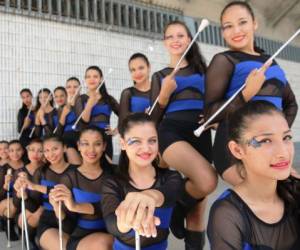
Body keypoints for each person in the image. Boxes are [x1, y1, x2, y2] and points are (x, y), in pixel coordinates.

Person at [204, 1, 298, 185]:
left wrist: (277, 135)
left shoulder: (271, 61)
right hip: (236, 147)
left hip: (271, 149)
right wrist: (246, 94)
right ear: (222, 32)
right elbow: (210, 115)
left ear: (254, 24)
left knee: (290, 198)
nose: (236, 31)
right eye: (228, 26)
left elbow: (291, 104)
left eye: (242, 22)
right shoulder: (224, 60)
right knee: (268, 201)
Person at [150, 20, 217, 249]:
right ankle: (178, 203)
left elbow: (216, 107)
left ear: (189, 39)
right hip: (171, 131)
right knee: (207, 180)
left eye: (181, 35)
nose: (176, 40)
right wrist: (164, 96)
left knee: (198, 212)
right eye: (170, 36)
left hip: (201, 135)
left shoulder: (205, 72)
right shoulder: (160, 76)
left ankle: (180, 205)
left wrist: (215, 120)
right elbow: (151, 121)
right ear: (165, 42)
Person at [207, 100, 300, 249]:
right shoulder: (227, 214)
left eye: (286, 138)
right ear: (238, 150)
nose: (283, 153)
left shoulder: (295, 191)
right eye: (266, 141)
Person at [101, 113, 183, 250]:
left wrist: (150, 196)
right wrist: (126, 221)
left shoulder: (171, 177)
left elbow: (169, 193)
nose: (146, 148)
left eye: (152, 140)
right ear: (123, 143)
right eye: (136, 141)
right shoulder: (112, 182)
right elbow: (111, 224)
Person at [50, 126, 113, 250]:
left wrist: (76, 206)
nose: (91, 149)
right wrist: (57, 208)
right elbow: (67, 227)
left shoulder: (114, 174)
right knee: (104, 244)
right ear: (78, 146)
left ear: (104, 146)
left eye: (97, 144)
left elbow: (110, 207)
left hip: (114, 232)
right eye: (85, 144)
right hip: (82, 238)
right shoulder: (69, 178)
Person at [18, 136, 75, 249]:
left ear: (64, 148)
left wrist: (36, 187)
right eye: (46, 151)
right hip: (49, 219)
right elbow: (34, 206)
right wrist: (24, 196)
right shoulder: (41, 172)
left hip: (72, 219)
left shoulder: (76, 170)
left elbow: (67, 194)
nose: (51, 154)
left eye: (55, 149)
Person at [75, 66, 119, 160]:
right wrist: (89, 105)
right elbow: (82, 123)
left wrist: (115, 131)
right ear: (85, 80)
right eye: (88, 77)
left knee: (107, 170)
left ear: (101, 79)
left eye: (95, 76)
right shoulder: (81, 99)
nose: (91, 79)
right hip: (88, 140)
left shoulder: (109, 99)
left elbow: (125, 116)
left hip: (105, 139)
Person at [13, 138, 44, 248]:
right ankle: (29, 241)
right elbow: (16, 203)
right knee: (25, 219)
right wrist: (19, 192)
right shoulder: (20, 172)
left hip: (44, 207)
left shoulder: (46, 170)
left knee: (36, 215)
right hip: (27, 207)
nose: (35, 154)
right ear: (27, 150)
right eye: (32, 150)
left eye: (40, 150)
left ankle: (30, 240)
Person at [118, 53, 151, 130]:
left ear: (149, 67)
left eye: (141, 68)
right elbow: (122, 125)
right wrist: (141, 116)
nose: (137, 73)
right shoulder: (127, 93)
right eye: (133, 70)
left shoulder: (159, 90)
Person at [0, 140, 25, 240]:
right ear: (8, 153)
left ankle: (18, 225)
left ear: (23, 151)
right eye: (11, 151)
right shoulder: (4, 168)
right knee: (12, 203)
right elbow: (1, 194)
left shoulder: (27, 164)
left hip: (25, 197)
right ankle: (9, 227)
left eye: (18, 150)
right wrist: (6, 184)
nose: (15, 153)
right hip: (8, 199)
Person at [55, 78, 82, 165]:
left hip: (83, 139)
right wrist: (63, 114)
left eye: (75, 87)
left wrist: (115, 130)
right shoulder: (62, 108)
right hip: (68, 140)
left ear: (80, 88)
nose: (72, 90)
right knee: (76, 166)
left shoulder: (85, 102)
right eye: (69, 87)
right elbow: (59, 132)